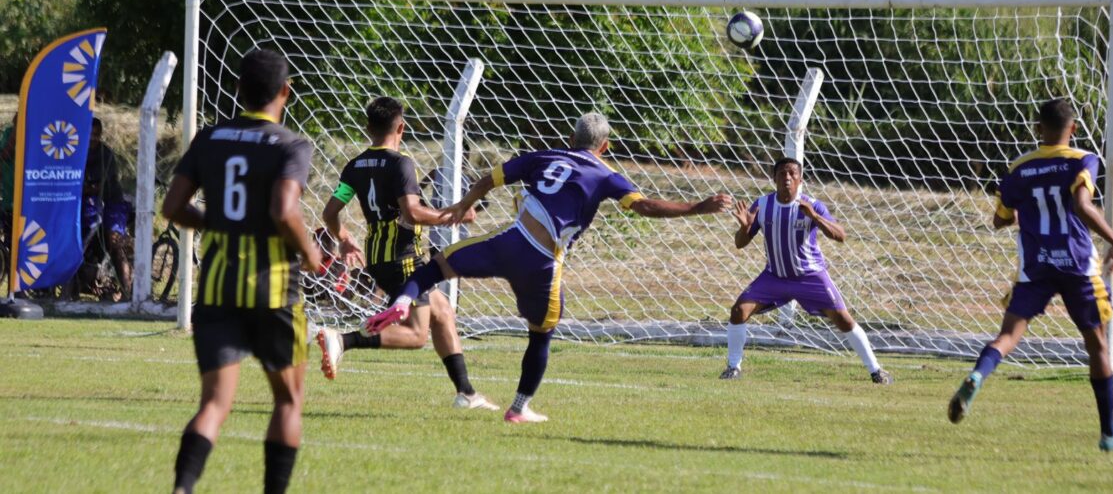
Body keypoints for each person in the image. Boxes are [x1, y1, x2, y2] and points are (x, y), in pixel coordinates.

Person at [365, 112, 732, 423]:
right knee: (541, 334)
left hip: (507, 242)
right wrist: (698, 207)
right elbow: (646, 206)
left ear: (571, 138)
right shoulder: (605, 174)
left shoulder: (543, 156)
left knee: (435, 269)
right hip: (542, 263)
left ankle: (400, 303)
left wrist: (463, 205)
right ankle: (519, 408)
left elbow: (489, 178)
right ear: (604, 147)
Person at [162, 49, 321, 494]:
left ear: (238, 90)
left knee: (214, 404)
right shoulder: (292, 144)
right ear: (286, 92)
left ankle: (183, 488)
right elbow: (284, 210)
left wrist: (215, 222)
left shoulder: (210, 138)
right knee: (288, 400)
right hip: (274, 294)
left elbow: (172, 207)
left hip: (217, 289)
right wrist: (309, 251)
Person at [947, 98, 1113, 452]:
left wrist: (1022, 214)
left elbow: (1000, 219)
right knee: (1096, 343)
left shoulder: (1019, 168)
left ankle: (977, 375)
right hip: (1077, 264)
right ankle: (1109, 430)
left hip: (1035, 266)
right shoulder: (1083, 160)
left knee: (1007, 336)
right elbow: (1082, 205)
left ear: (1038, 129)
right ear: (1073, 129)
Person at [316, 96, 497, 410]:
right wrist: (453, 214)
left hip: (379, 256)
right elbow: (412, 213)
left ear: (368, 128)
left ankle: (466, 394)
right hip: (403, 258)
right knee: (416, 335)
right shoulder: (401, 163)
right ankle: (344, 340)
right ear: (401, 127)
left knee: (441, 311)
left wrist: (344, 238)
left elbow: (330, 212)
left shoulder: (355, 165)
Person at [719, 158, 891, 384]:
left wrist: (815, 217)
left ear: (800, 178)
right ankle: (733, 368)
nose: (787, 178)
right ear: (774, 178)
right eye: (782, 173)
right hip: (775, 277)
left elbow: (841, 236)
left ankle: (876, 371)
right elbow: (740, 243)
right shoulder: (761, 205)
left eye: (792, 173)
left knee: (844, 320)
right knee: (738, 311)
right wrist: (744, 227)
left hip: (810, 277)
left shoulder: (813, 205)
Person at [78, 117, 133, 299]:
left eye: (96, 135)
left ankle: (127, 291)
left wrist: (81, 188)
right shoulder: (75, 153)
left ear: (100, 135)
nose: (92, 138)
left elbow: (100, 186)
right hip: (86, 202)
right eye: (89, 134)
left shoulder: (106, 155)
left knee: (114, 242)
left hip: (111, 202)